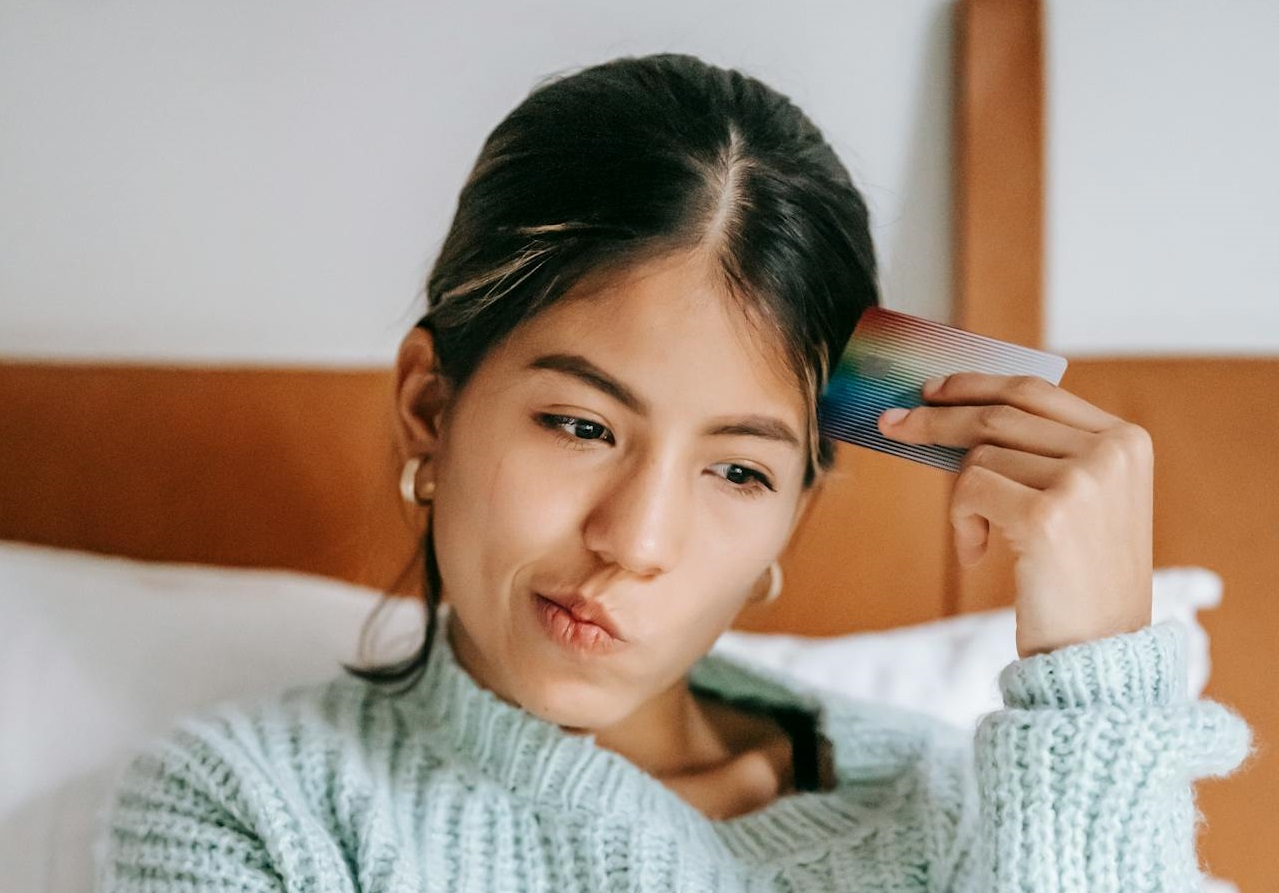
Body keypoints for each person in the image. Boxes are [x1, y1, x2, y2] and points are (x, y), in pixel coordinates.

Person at [95, 53, 1254, 892]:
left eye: (740, 472)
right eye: (582, 425)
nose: (635, 540)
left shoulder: (981, 821)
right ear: (429, 405)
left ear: (802, 503)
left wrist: (1093, 683)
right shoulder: (251, 812)